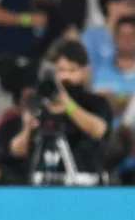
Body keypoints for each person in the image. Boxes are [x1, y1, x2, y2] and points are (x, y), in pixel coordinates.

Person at [8, 39, 112, 184]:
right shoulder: (37, 101)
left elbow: (99, 130)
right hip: (43, 183)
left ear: (84, 72)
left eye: (72, 70)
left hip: (85, 184)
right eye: (61, 70)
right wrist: (27, 129)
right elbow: (16, 151)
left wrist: (67, 105)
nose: (66, 77)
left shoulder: (95, 102)